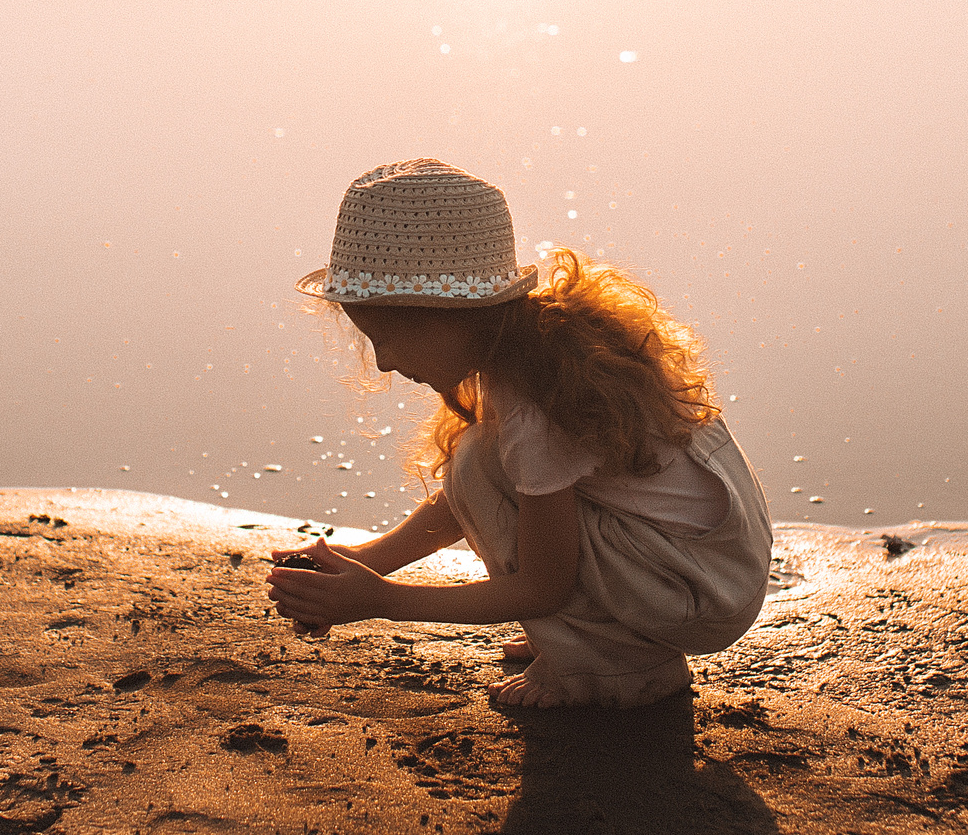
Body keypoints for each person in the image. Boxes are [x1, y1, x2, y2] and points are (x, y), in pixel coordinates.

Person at [267, 157, 774, 708]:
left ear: (455, 314)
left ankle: (616, 672)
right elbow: (469, 502)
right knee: (477, 461)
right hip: (711, 567)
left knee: (477, 467)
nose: (383, 362)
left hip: (698, 593)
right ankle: (589, 640)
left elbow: (542, 586)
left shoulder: (538, 410)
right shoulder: (545, 352)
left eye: (388, 336)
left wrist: (381, 599)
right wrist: (367, 560)